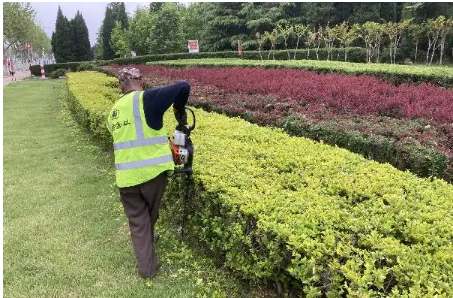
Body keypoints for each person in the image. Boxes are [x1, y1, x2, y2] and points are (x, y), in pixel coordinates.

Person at [106, 67, 190, 279]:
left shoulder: (114, 112)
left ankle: (147, 265)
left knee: (138, 222)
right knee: (149, 217)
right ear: (141, 82)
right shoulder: (148, 99)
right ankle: (147, 265)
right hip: (153, 175)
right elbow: (183, 87)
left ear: (120, 86)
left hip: (126, 180)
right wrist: (179, 110)